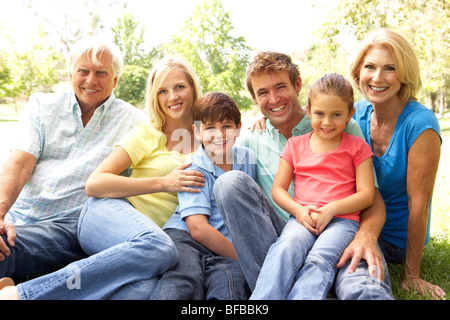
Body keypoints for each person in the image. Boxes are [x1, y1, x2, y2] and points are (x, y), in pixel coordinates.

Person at [0, 56, 206, 299]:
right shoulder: (147, 133)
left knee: (142, 291)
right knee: (160, 249)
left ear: (193, 87)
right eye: (163, 90)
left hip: (143, 242)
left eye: (180, 87)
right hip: (108, 216)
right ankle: (22, 295)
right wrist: (164, 182)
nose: (172, 97)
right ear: (155, 97)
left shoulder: (210, 140)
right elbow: (95, 183)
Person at [214, 51, 395, 299]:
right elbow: (213, 155)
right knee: (229, 183)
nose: (274, 98)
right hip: (291, 231)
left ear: (297, 84)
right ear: (254, 99)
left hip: (342, 226)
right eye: (263, 93)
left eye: (280, 87)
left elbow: (370, 196)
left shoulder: (341, 127)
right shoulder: (250, 139)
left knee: (359, 285)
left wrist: (366, 236)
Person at [0, 37, 145, 280]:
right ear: (70, 74)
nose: (91, 80)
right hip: (19, 216)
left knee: (3, 248)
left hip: (69, 226)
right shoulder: (41, 105)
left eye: (101, 72)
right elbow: (19, 164)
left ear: (115, 79)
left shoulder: (135, 122)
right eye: (83, 71)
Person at [250, 73, 375, 299]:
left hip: (342, 221)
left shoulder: (357, 147)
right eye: (319, 114)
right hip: (302, 218)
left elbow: (367, 195)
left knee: (319, 259)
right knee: (284, 249)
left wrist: (331, 209)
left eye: (336, 115)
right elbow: (278, 189)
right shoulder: (295, 146)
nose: (327, 122)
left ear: (350, 114)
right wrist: (298, 210)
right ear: (308, 111)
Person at [349, 29, 444, 300]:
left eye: (389, 68)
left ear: (403, 75)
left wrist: (411, 275)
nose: (377, 78)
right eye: (370, 67)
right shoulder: (357, 114)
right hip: (360, 222)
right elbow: (317, 121)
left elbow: (419, 204)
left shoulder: (420, 124)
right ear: (359, 71)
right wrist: (268, 120)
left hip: (394, 241)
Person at [151, 92, 256, 300]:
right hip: (186, 236)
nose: (219, 135)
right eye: (209, 128)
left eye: (226, 126)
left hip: (223, 243)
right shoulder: (194, 167)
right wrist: (241, 256)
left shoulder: (247, 158)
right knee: (184, 278)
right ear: (197, 132)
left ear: (238, 128)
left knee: (230, 280)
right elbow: (197, 228)